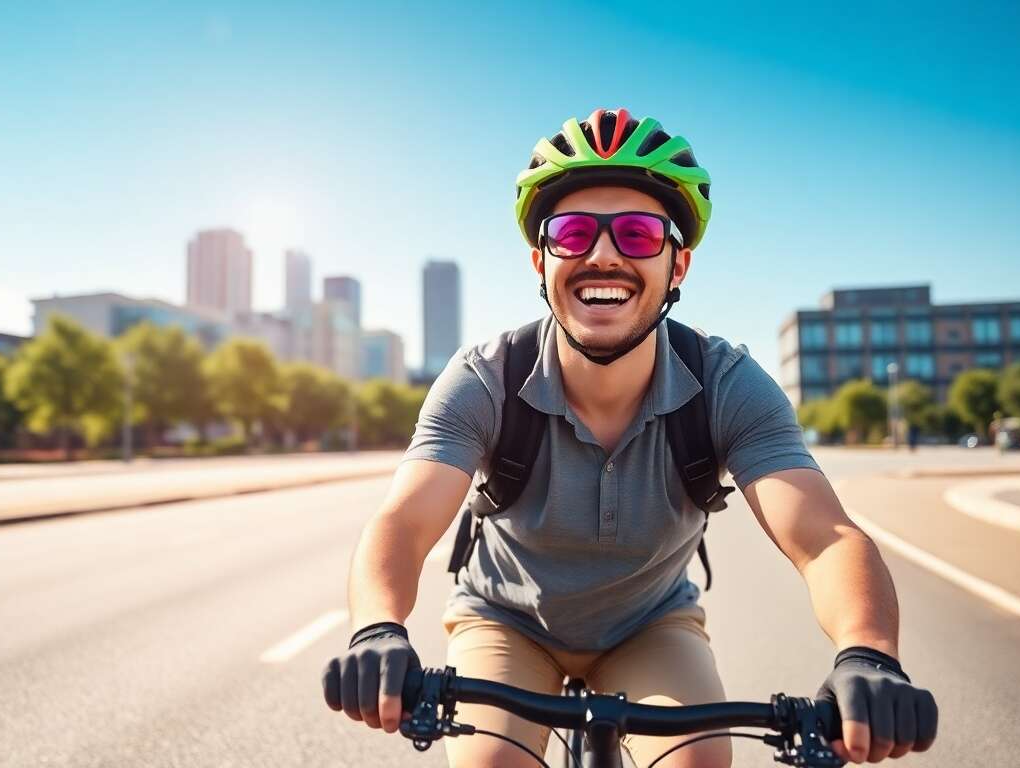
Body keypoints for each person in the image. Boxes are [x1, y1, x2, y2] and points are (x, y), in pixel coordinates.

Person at [322, 108, 937, 767]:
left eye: (640, 234)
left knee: (698, 762)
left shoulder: (728, 383)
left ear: (679, 265)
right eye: (575, 232)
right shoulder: (486, 379)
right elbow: (404, 521)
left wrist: (868, 653)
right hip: (506, 622)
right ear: (541, 259)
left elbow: (824, 538)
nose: (604, 255)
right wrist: (377, 628)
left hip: (650, 624)